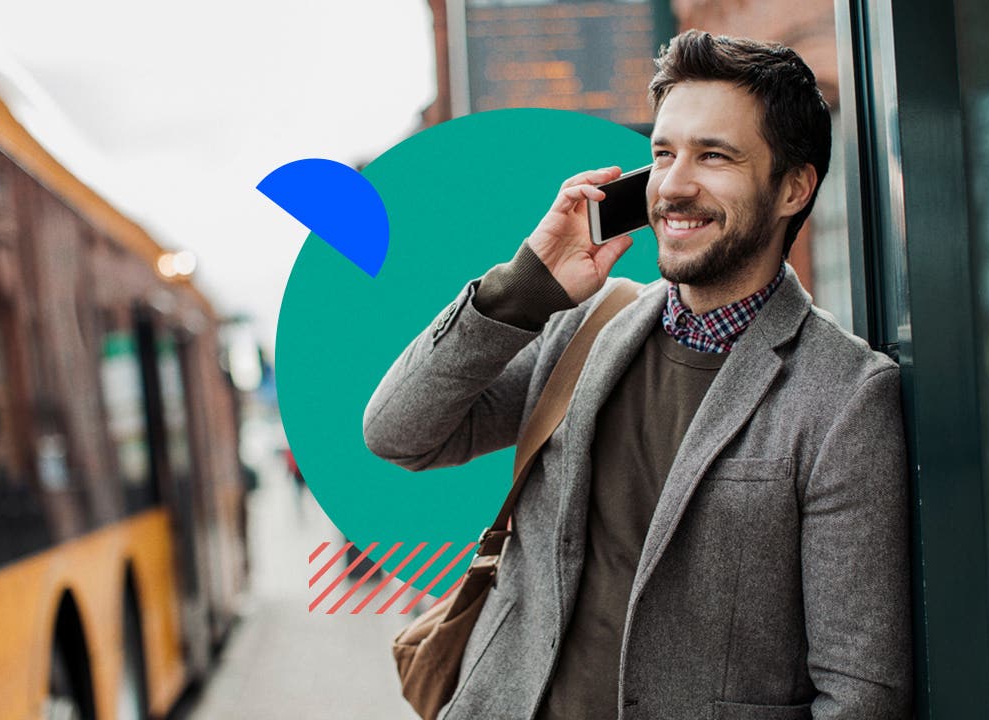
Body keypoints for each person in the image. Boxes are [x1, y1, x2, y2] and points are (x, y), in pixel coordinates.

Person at [364, 30, 911, 720]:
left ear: (792, 188)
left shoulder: (845, 395)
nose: (673, 185)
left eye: (714, 155)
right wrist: (522, 288)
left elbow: (860, 693)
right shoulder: (584, 327)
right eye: (662, 153)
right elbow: (398, 434)